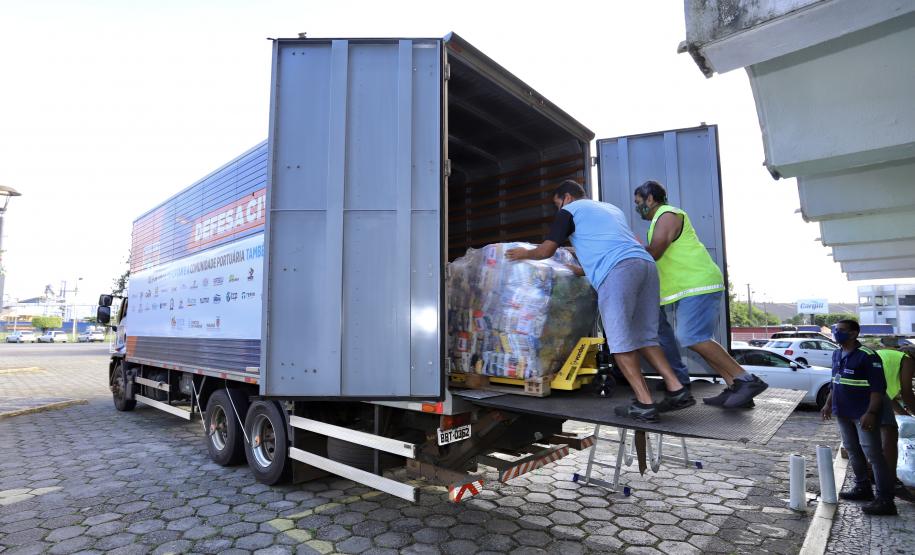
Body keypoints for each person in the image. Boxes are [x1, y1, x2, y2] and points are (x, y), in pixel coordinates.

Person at [505, 180, 694, 422]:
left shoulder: (569, 211)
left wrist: (524, 254)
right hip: (645, 266)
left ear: (567, 197)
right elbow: (613, 247)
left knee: (620, 340)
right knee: (645, 336)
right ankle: (677, 389)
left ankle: (645, 404)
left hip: (619, 271)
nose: (557, 209)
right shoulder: (611, 210)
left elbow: (545, 251)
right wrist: (581, 270)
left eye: (557, 203)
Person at [633, 180, 768, 408]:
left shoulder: (667, 214)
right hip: (693, 286)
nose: (638, 209)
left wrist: (631, 246)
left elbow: (655, 251)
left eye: (639, 203)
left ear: (650, 198)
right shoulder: (660, 219)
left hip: (698, 283)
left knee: (690, 337)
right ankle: (735, 385)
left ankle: (747, 379)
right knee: (700, 339)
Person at [821, 319, 897, 516]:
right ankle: (862, 487)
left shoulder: (867, 356)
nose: (837, 333)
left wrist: (871, 413)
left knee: (873, 454)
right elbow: (835, 381)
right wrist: (828, 403)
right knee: (853, 451)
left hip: (863, 414)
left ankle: (885, 500)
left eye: (842, 330)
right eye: (836, 330)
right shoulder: (837, 353)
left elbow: (878, 389)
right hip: (843, 412)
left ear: (854, 333)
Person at [877, 346, 915, 502]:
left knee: (874, 439)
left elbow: (891, 398)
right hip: (870, 395)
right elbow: (907, 393)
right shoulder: (907, 360)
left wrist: (907, 415)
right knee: (890, 435)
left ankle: (872, 479)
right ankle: (890, 484)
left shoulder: (890, 358)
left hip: (862, 393)